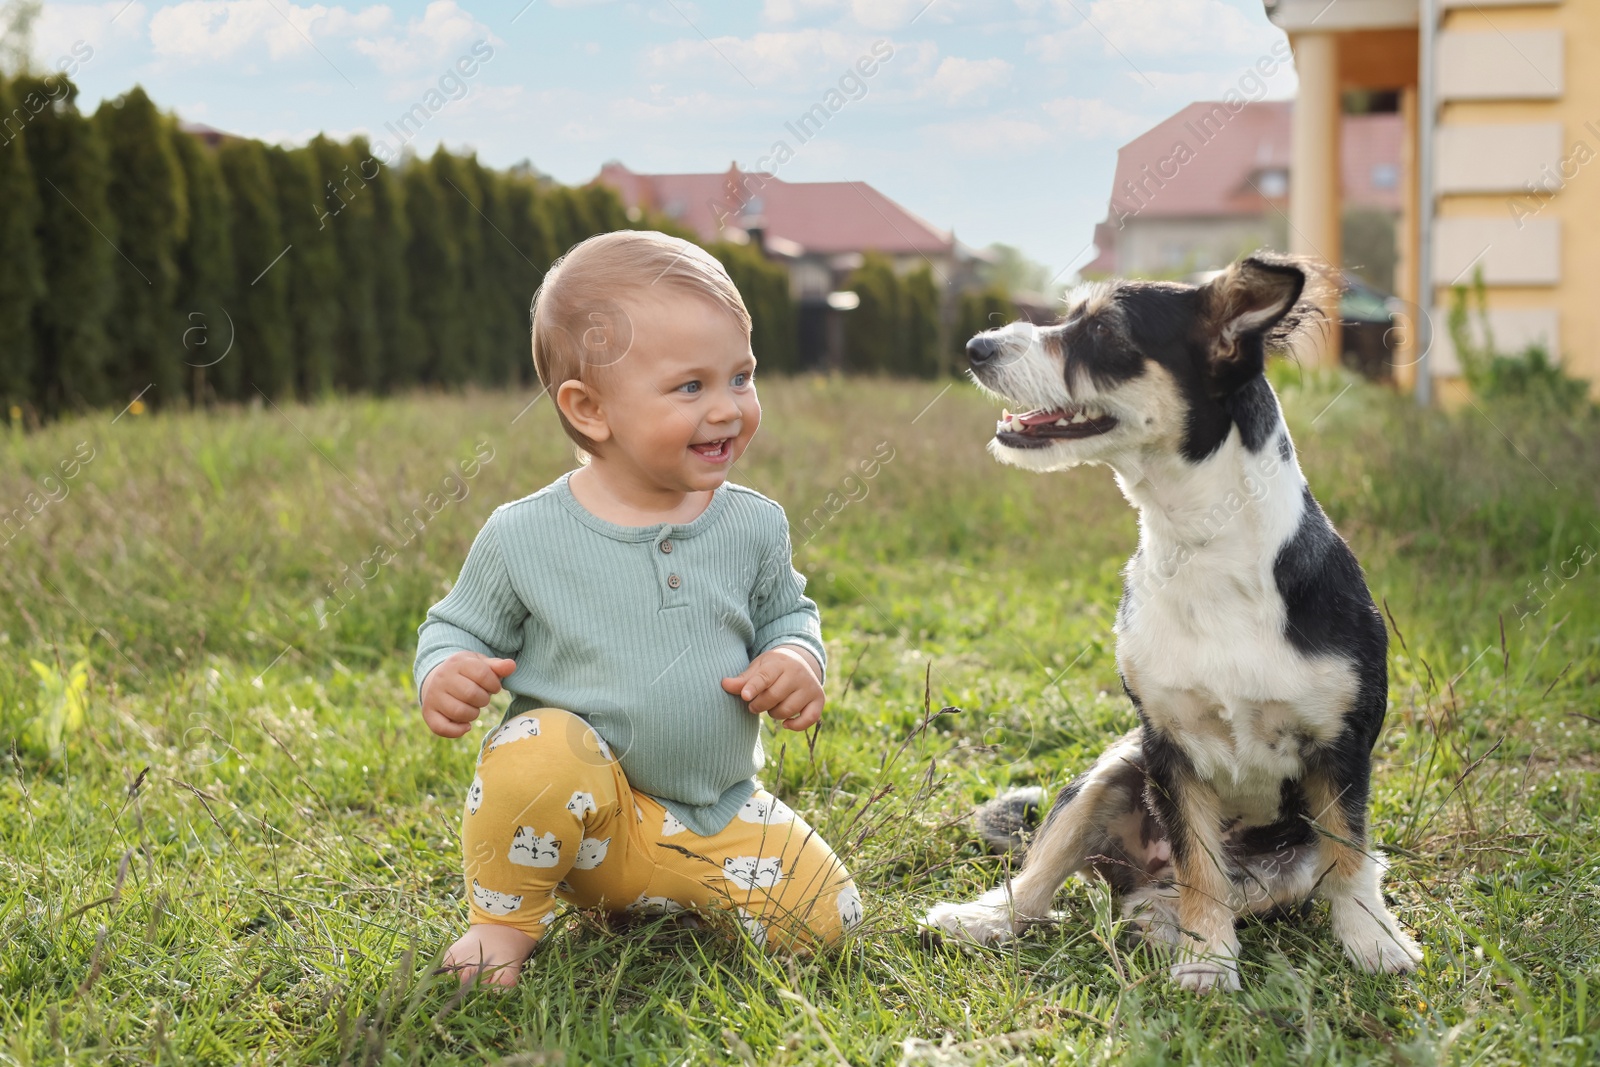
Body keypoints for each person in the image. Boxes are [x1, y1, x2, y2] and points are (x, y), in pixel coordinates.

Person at [414, 230, 862, 986]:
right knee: (539, 749)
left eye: (742, 377)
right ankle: (504, 920)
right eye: (691, 387)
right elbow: (455, 625)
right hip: (588, 822)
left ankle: (668, 889)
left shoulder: (753, 523)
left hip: (714, 810)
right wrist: (446, 669)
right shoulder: (524, 533)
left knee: (828, 921)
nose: (727, 409)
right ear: (590, 409)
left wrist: (793, 657)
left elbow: (789, 613)